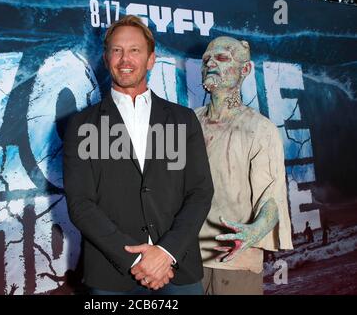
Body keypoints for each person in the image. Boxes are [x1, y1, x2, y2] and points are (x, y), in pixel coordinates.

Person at [63, 15, 214, 295]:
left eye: (135, 50)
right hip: (111, 275)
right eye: (117, 50)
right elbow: (81, 204)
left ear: (151, 59)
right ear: (106, 58)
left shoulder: (184, 119)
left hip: (177, 269)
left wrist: (166, 252)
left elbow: (200, 191)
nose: (125, 59)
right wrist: (136, 260)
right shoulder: (81, 125)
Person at [195, 36, 293, 295]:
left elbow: (271, 198)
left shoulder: (260, 129)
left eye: (222, 58)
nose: (211, 63)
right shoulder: (188, 122)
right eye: (206, 59)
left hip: (234, 262)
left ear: (245, 70)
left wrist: (255, 231)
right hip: (186, 261)